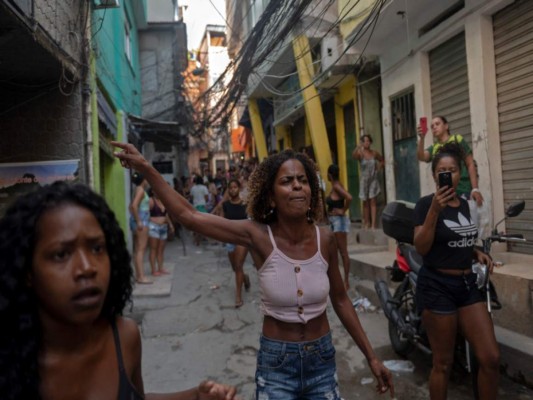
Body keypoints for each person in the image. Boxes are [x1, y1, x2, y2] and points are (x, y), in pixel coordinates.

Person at [113, 141, 394, 399]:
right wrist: (148, 170)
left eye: (303, 180)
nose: (297, 186)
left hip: (322, 360)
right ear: (271, 197)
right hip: (277, 365)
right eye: (286, 181)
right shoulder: (257, 236)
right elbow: (190, 216)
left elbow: (342, 300)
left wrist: (371, 357)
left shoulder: (326, 239)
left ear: (311, 191)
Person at [0, 181, 239, 400]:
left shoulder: (125, 337)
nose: (86, 268)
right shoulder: (9, 357)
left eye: (97, 249)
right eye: (61, 254)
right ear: (27, 271)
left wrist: (196, 396)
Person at [413, 142, 497, 400]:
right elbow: (422, 246)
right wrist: (434, 212)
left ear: (459, 174)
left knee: (490, 357)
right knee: (443, 363)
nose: (447, 174)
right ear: (434, 175)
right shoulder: (425, 204)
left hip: (467, 284)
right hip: (437, 286)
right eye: (441, 170)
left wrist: (474, 251)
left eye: (452, 169)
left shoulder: (465, 204)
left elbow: (458, 238)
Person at [417, 115, 484, 206]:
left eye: (437, 124)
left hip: (464, 190)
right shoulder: (434, 147)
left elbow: (470, 163)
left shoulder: (457, 139)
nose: (434, 127)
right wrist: (422, 138)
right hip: (445, 194)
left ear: (446, 126)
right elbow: (421, 157)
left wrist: (475, 189)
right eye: (432, 126)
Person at [221, 178, 251, 308]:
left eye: (235, 187)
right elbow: (222, 222)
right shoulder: (225, 205)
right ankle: (244, 278)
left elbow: (251, 222)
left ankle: (238, 296)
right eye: (230, 187)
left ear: (239, 188)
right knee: (235, 268)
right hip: (230, 239)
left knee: (238, 266)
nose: (233, 189)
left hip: (242, 240)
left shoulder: (245, 204)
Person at [326, 164, 353, 291]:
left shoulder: (336, 186)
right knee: (335, 251)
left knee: (343, 252)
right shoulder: (336, 186)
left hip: (339, 222)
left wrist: (343, 210)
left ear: (330, 175)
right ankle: (338, 280)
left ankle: (346, 281)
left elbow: (349, 197)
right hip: (334, 221)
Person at [352, 134, 384, 229]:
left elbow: (382, 160)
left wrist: (379, 168)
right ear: (362, 142)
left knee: (373, 201)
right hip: (364, 180)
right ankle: (367, 222)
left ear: (370, 142)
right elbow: (354, 156)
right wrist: (358, 147)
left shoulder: (374, 153)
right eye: (365, 141)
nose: (367, 143)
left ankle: (373, 224)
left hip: (373, 179)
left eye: (368, 141)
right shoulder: (360, 153)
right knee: (365, 202)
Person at [130, 172, 152, 284]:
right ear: (143, 180)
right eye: (146, 179)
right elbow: (133, 206)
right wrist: (139, 221)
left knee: (137, 249)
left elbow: (131, 207)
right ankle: (141, 277)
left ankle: (139, 275)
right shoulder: (141, 191)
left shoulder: (136, 190)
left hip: (139, 220)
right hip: (142, 221)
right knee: (141, 249)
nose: (147, 181)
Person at [148, 189, 174, 276]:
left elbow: (166, 215)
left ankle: (160, 267)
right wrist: (151, 220)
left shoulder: (163, 201)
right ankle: (153, 270)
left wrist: (170, 225)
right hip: (154, 227)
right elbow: (145, 213)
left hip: (164, 227)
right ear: (153, 191)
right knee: (153, 249)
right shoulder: (151, 201)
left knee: (161, 249)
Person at [189, 175, 209, 246]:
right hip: (202, 206)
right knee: (204, 223)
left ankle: (197, 239)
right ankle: (204, 237)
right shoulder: (204, 188)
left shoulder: (193, 188)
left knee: (197, 224)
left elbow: (191, 197)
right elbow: (206, 197)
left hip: (195, 207)